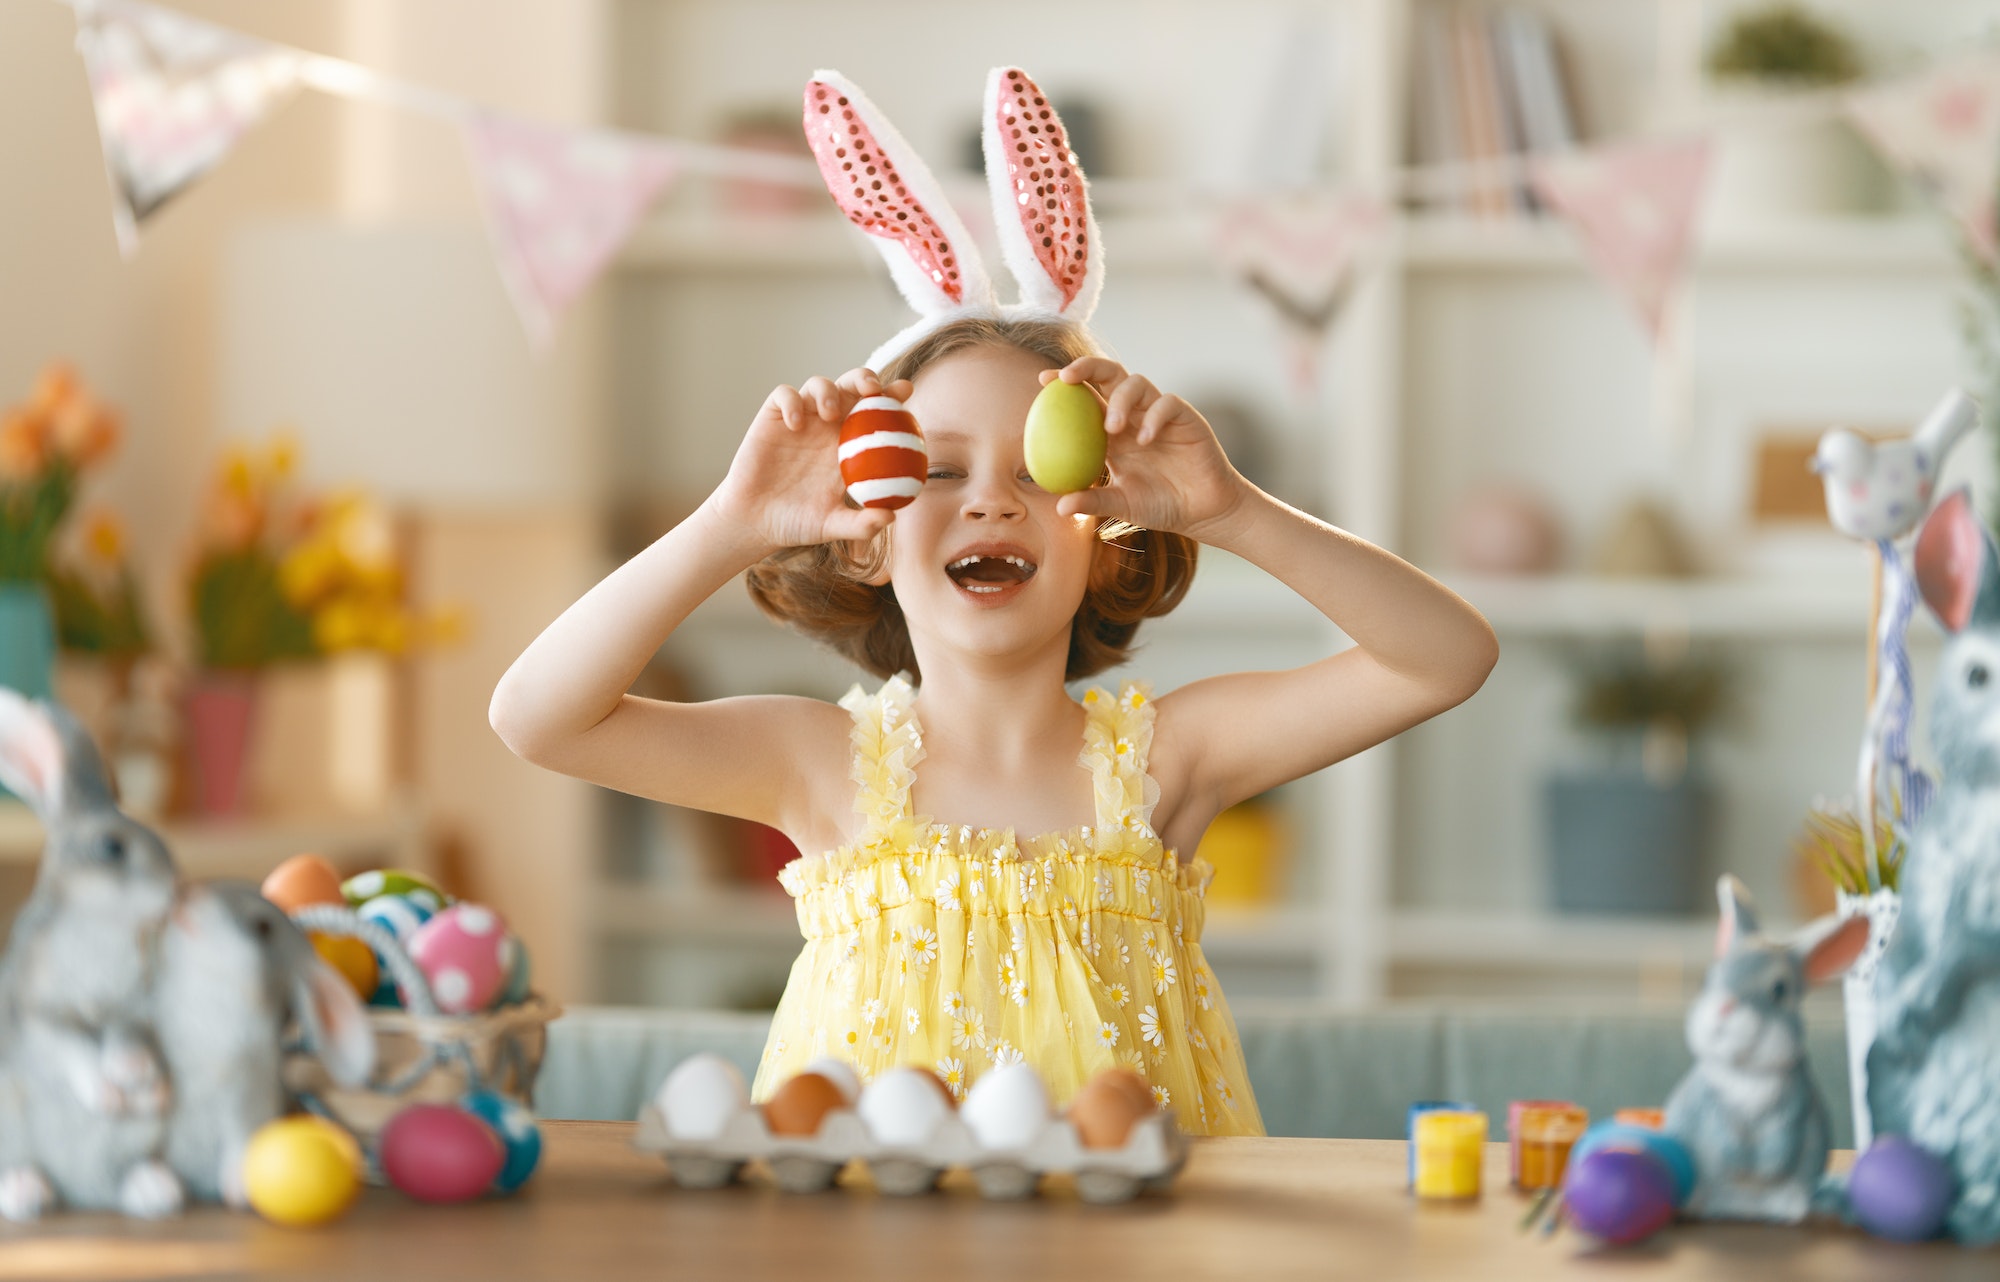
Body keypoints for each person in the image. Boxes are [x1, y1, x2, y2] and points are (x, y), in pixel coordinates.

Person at [489, 68, 1497, 1137]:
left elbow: (1441, 658)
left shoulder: (1167, 761)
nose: (988, 504)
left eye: (1034, 470)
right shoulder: (816, 767)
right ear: (866, 535)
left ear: (1103, 537)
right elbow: (536, 717)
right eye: (934, 472)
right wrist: (731, 522)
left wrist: (1230, 509)